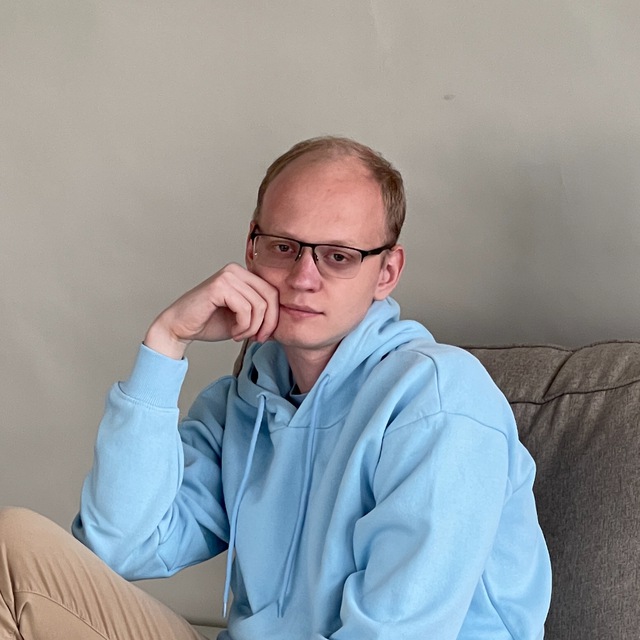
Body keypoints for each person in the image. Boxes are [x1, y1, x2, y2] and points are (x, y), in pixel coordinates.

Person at [0, 136, 551, 639]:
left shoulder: (437, 400)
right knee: (12, 545)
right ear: (252, 247)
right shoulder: (242, 403)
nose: (303, 278)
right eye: (285, 247)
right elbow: (118, 547)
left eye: (338, 257)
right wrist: (166, 342)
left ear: (386, 272)